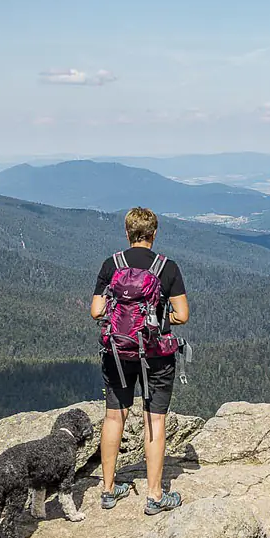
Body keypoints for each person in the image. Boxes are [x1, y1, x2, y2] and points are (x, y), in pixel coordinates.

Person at [91, 206, 189, 514]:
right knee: (154, 419)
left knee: (113, 417)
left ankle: (107, 491)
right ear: (153, 233)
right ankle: (155, 495)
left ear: (127, 232)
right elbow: (182, 316)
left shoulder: (112, 264)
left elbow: (96, 311)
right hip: (156, 355)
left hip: (117, 353)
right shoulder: (166, 268)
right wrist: (162, 317)